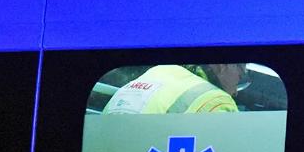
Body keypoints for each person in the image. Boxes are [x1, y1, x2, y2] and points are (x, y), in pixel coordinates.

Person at [103, 63, 242, 114]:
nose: (235, 92)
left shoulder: (158, 70)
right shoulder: (217, 101)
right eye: (241, 75)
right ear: (223, 65)